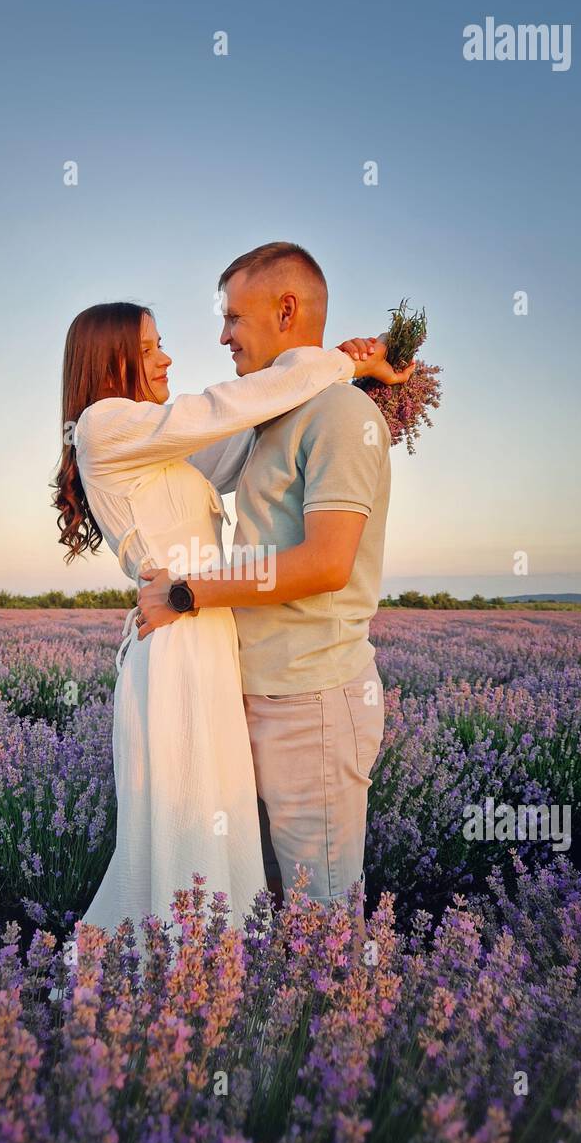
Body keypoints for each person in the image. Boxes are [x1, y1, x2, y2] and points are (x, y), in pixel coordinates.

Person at [52, 294, 408, 939]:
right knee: (191, 831)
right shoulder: (107, 424)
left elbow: (243, 436)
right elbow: (225, 408)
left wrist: (339, 369)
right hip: (178, 644)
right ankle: (177, 983)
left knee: (223, 829)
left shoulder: (154, 441)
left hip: (209, 638)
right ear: (108, 364)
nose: (167, 358)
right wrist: (331, 363)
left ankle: (214, 979)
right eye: (148, 349)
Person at [137, 242, 398, 933]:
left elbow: (324, 563)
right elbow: (172, 448)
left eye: (233, 318)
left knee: (321, 918)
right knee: (261, 904)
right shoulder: (267, 416)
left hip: (309, 700)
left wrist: (188, 592)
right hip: (251, 693)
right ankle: (273, 1038)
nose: (222, 337)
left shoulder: (341, 415)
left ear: (285, 310)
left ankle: (344, 1035)